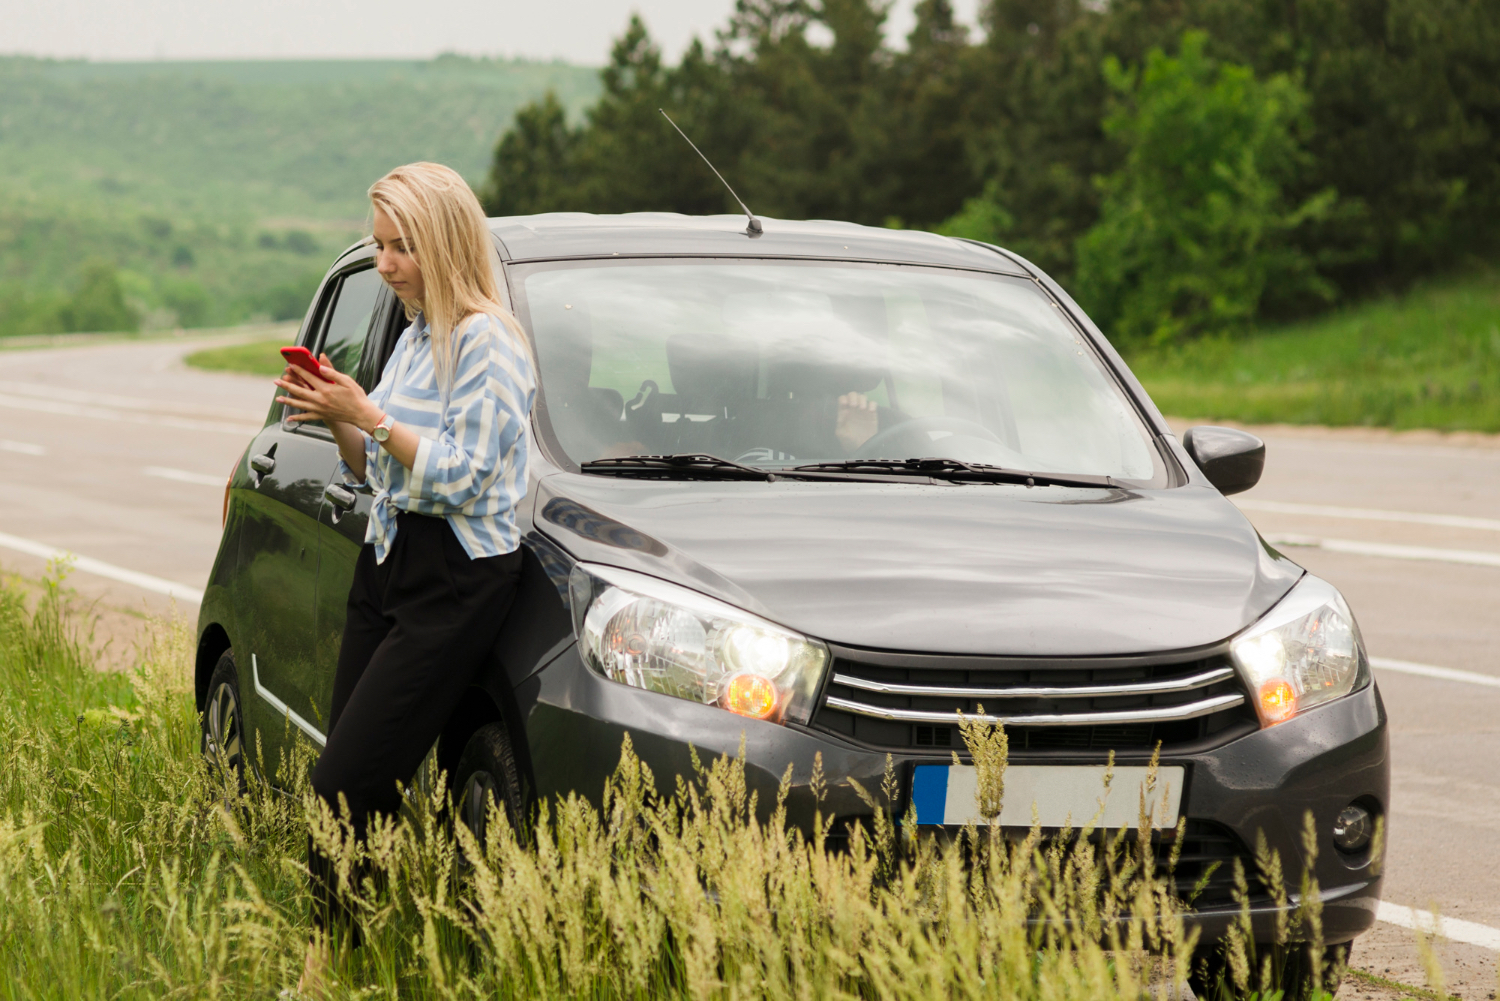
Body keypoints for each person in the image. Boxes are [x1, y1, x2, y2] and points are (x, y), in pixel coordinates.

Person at [271, 162, 534, 994]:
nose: (384, 264)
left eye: (401, 247)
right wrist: (337, 413)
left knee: (345, 780)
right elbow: (378, 469)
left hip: (454, 576)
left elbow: (459, 475)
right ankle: (357, 955)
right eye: (380, 245)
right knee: (357, 777)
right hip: (389, 560)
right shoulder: (417, 336)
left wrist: (370, 417)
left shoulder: (489, 342)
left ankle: (328, 969)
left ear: (446, 243)